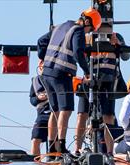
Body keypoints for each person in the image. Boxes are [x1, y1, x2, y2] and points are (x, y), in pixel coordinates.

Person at [37, 8, 101, 157]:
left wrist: (44, 57)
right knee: (66, 110)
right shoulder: (78, 30)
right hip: (62, 74)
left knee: (55, 110)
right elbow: (78, 52)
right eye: (90, 30)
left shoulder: (59, 27)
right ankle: (62, 147)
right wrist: (87, 72)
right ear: (87, 22)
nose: (88, 33)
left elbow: (41, 41)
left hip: (47, 73)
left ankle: (52, 148)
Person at [75, 28, 128, 155]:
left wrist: (118, 44)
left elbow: (126, 56)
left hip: (109, 81)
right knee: (82, 114)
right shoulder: (87, 36)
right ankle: (77, 149)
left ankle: (109, 152)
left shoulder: (117, 35)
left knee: (108, 116)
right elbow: (77, 54)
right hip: (89, 80)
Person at [29, 61, 52, 156]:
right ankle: (35, 163)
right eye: (41, 66)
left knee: (56, 140)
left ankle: (55, 160)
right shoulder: (35, 81)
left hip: (55, 114)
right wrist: (38, 98)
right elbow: (32, 100)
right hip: (42, 114)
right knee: (35, 139)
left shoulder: (56, 79)